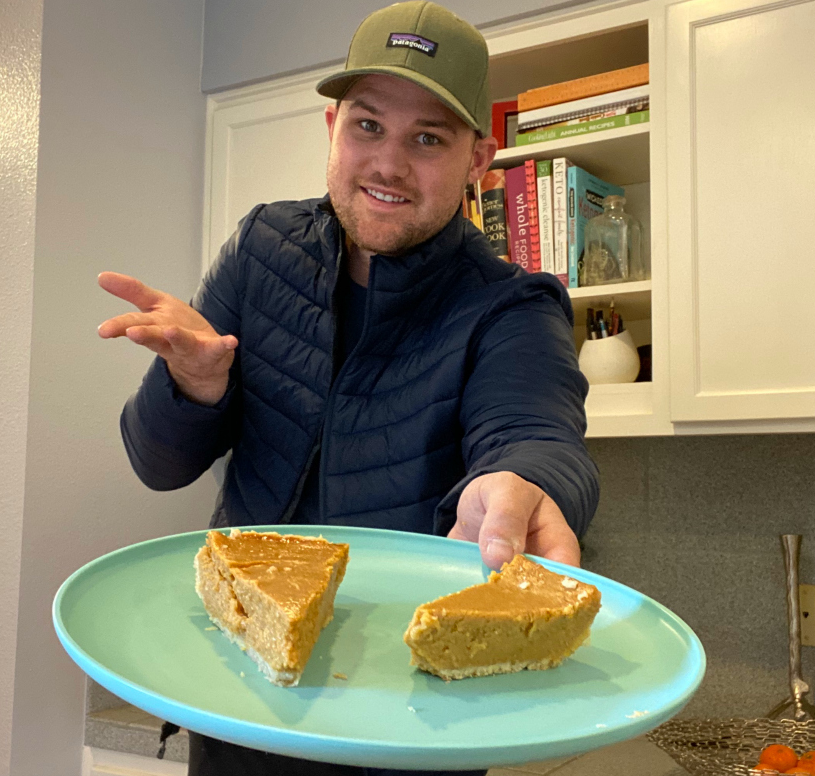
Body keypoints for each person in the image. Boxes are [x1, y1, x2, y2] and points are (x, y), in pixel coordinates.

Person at [97, 3, 599, 774]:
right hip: (240, 696)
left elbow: (536, 431)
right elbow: (157, 466)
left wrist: (520, 480)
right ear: (332, 126)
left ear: (478, 160)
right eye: (367, 126)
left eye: (428, 138)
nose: (388, 164)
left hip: (408, 720)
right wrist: (193, 385)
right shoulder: (262, 248)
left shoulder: (512, 304)